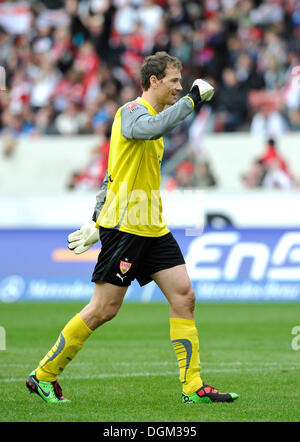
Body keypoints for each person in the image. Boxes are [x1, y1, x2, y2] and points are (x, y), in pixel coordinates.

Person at [25, 52, 238, 405]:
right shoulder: (132, 112)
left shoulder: (155, 122)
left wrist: (96, 216)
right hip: (125, 227)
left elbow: (113, 175)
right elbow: (148, 129)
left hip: (153, 226)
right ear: (153, 81)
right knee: (104, 309)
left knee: (184, 296)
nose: (179, 87)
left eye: (181, 83)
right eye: (173, 81)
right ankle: (43, 375)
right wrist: (193, 100)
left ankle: (192, 387)